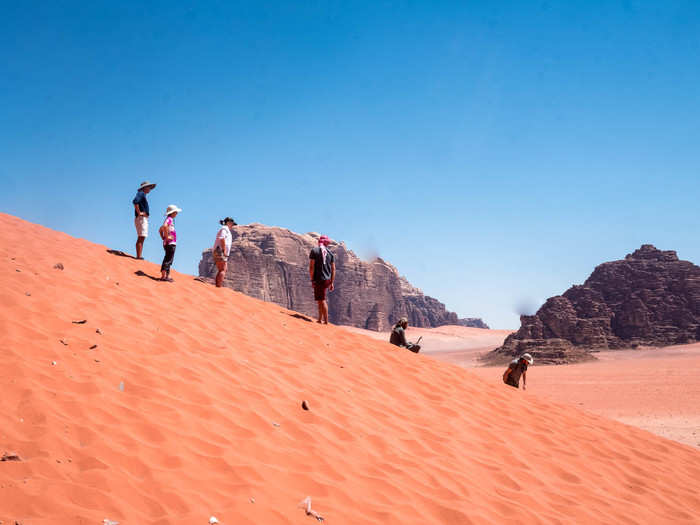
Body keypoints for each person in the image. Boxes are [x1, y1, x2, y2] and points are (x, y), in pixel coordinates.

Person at [309, 234, 335, 324]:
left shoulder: (314, 251)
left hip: (318, 279)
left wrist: (312, 279)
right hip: (327, 279)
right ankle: (320, 319)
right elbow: (333, 269)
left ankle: (326, 321)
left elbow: (311, 267)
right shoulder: (331, 254)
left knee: (322, 299)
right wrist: (331, 282)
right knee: (320, 299)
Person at [132, 181, 156, 259]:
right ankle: (139, 256)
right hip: (141, 218)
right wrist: (139, 213)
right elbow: (135, 201)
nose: (150, 189)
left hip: (142, 218)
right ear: (144, 187)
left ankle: (139, 256)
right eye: (148, 187)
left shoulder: (142, 195)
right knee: (141, 237)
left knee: (142, 236)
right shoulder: (141, 193)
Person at [159, 204, 181, 282]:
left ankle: (166, 275)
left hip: (167, 243)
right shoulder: (169, 219)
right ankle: (164, 276)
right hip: (170, 243)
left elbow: (160, 229)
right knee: (168, 259)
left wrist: (163, 237)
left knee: (168, 258)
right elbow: (164, 226)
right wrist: (167, 236)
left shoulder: (168, 219)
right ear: (172, 213)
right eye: (175, 212)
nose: (176, 214)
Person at [213, 217, 237, 287]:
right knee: (223, 269)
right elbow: (222, 238)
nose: (232, 226)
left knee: (222, 269)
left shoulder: (225, 229)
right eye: (232, 224)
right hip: (220, 251)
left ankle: (218, 286)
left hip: (219, 251)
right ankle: (218, 287)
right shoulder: (224, 229)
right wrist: (224, 250)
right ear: (228, 223)